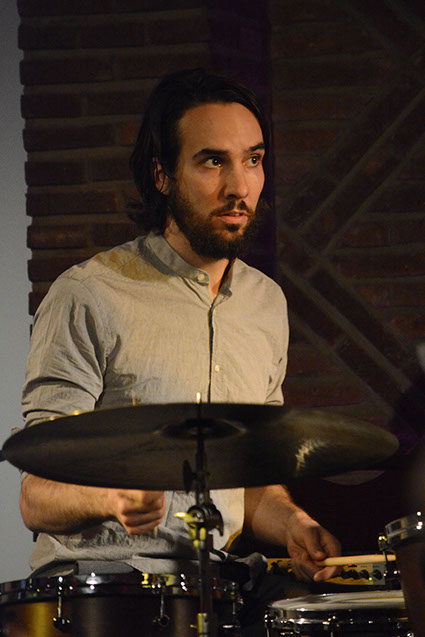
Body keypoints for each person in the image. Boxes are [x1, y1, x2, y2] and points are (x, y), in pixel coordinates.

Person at [19, 68, 341, 635]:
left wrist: (294, 523)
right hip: (112, 587)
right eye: (213, 161)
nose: (239, 187)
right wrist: (111, 498)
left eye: (253, 160)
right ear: (162, 175)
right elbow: (36, 497)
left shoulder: (266, 303)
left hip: (225, 583)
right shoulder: (89, 294)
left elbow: (251, 479)